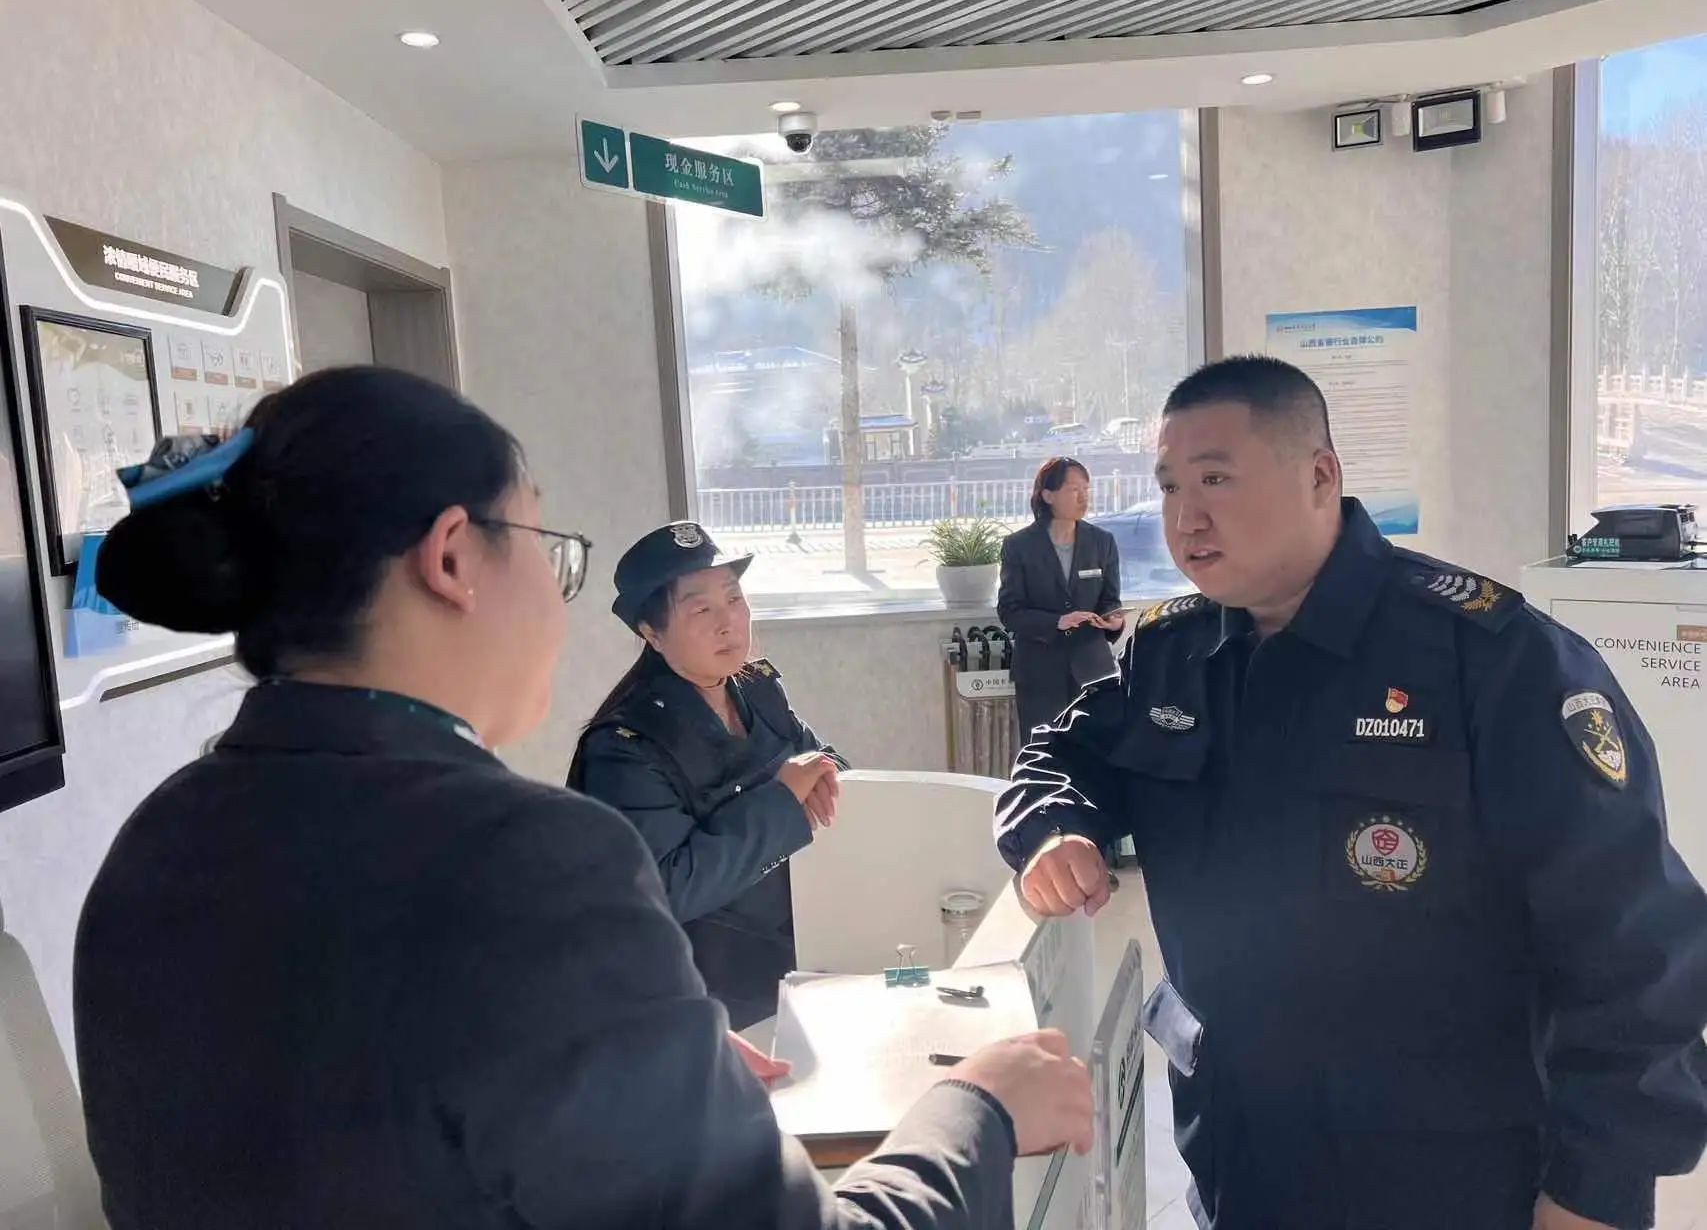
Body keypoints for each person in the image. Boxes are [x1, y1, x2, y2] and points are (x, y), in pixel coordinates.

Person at [74, 365, 1093, 1229]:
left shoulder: (158, 839)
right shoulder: (532, 859)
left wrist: (633, 1037)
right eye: (543, 542)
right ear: (452, 558)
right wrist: (978, 1109)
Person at [995, 355, 1707, 1230]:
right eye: (1169, 486)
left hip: (1450, 1173)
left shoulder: (1490, 660)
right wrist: (1051, 829)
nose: (1185, 517)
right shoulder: (1171, 654)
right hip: (1239, 1149)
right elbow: (1065, 751)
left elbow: (1635, 947)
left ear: (1320, 476)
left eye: (1216, 478)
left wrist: (1595, 1191)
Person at [569, 522, 844, 1030]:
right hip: (700, 994)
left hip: (796, 953)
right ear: (651, 633)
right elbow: (668, 887)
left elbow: (823, 762)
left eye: (734, 599)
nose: (728, 622)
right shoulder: (624, 747)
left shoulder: (758, 688)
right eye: (701, 610)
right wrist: (782, 799)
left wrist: (827, 773)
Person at [997, 456, 1125, 737]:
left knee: (1096, 751)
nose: (1083, 497)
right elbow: (1009, 611)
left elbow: (1110, 600)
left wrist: (1114, 620)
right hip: (1040, 671)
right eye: (1074, 489)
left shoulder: (1102, 541)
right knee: (1043, 750)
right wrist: (1057, 621)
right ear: (1048, 495)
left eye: (1086, 489)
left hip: (1093, 669)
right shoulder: (1019, 546)